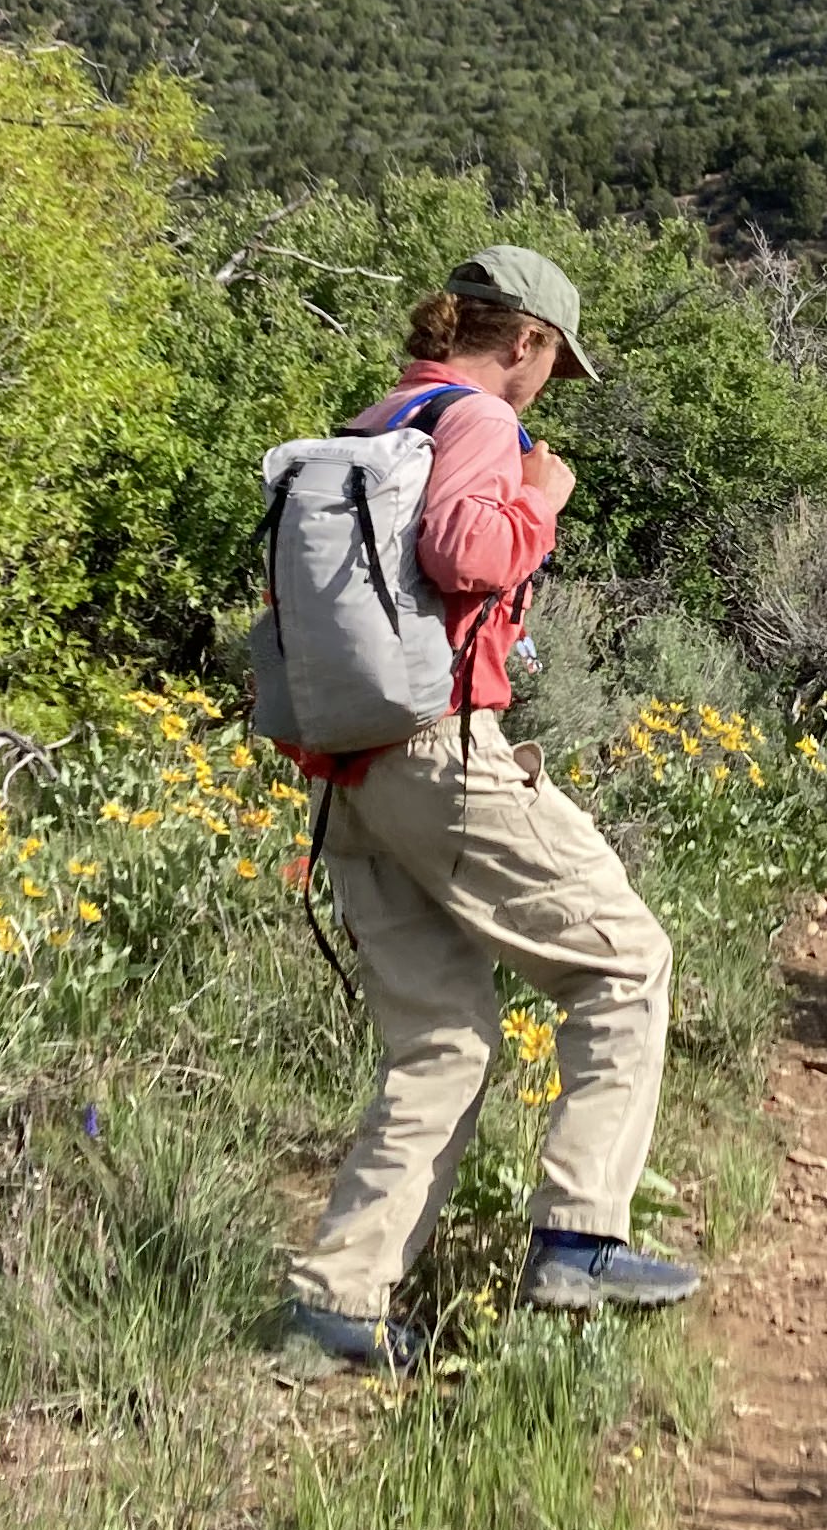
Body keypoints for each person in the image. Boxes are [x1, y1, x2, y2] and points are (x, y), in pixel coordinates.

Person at [276, 245, 697, 1381]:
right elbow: (466, 550)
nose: (549, 388)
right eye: (553, 364)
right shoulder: (474, 419)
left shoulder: (379, 420)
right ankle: (580, 1240)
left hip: (349, 776)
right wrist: (542, 498)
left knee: (442, 1042)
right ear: (525, 340)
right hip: (439, 753)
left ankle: (339, 1303)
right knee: (624, 962)